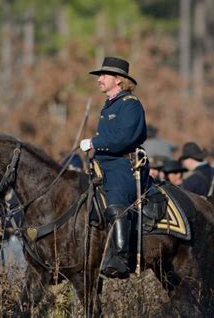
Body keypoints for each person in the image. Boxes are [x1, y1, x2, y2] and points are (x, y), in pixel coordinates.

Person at [79, 56, 148, 278]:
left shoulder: (131, 104)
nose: (99, 79)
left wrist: (94, 142)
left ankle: (120, 259)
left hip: (123, 165)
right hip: (103, 165)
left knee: (117, 204)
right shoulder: (109, 105)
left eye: (104, 75)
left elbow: (124, 138)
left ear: (118, 80)